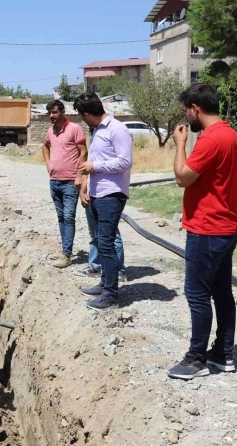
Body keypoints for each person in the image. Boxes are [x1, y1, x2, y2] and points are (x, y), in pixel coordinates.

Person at [168, 84, 237, 380]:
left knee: (197, 294)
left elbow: (183, 178)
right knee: (222, 293)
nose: (186, 118)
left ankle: (196, 359)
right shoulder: (231, 135)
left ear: (195, 108)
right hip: (226, 226)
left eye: (187, 110)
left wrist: (180, 145)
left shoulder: (211, 139)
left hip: (207, 228)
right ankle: (223, 354)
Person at [74, 92, 132, 310]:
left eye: (81, 116)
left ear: (87, 113)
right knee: (100, 240)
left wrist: (95, 167)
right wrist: (85, 186)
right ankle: (104, 283)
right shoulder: (97, 130)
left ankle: (110, 294)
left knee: (107, 243)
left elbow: (125, 161)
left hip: (112, 194)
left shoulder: (117, 129)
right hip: (97, 193)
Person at [41, 100, 87, 269]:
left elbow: (83, 152)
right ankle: (64, 250)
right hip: (55, 181)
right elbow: (45, 147)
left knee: (68, 217)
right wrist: (48, 164)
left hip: (69, 182)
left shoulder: (75, 129)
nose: (51, 116)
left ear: (62, 112)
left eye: (54, 112)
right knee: (61, 217)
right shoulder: (51, 131)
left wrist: (79, 175)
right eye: (49, 113)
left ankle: (67, 255)